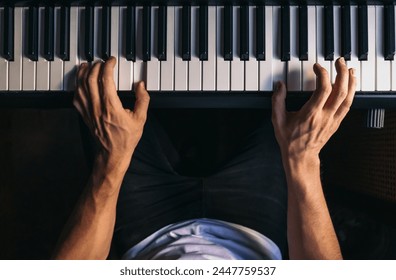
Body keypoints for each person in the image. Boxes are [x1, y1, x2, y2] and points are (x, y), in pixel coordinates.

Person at [53, 56, 356, 260]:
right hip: (254, 231)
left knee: (98, 85)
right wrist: (302, 160)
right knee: (293, 90)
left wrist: (111, 161)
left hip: (147, 234)